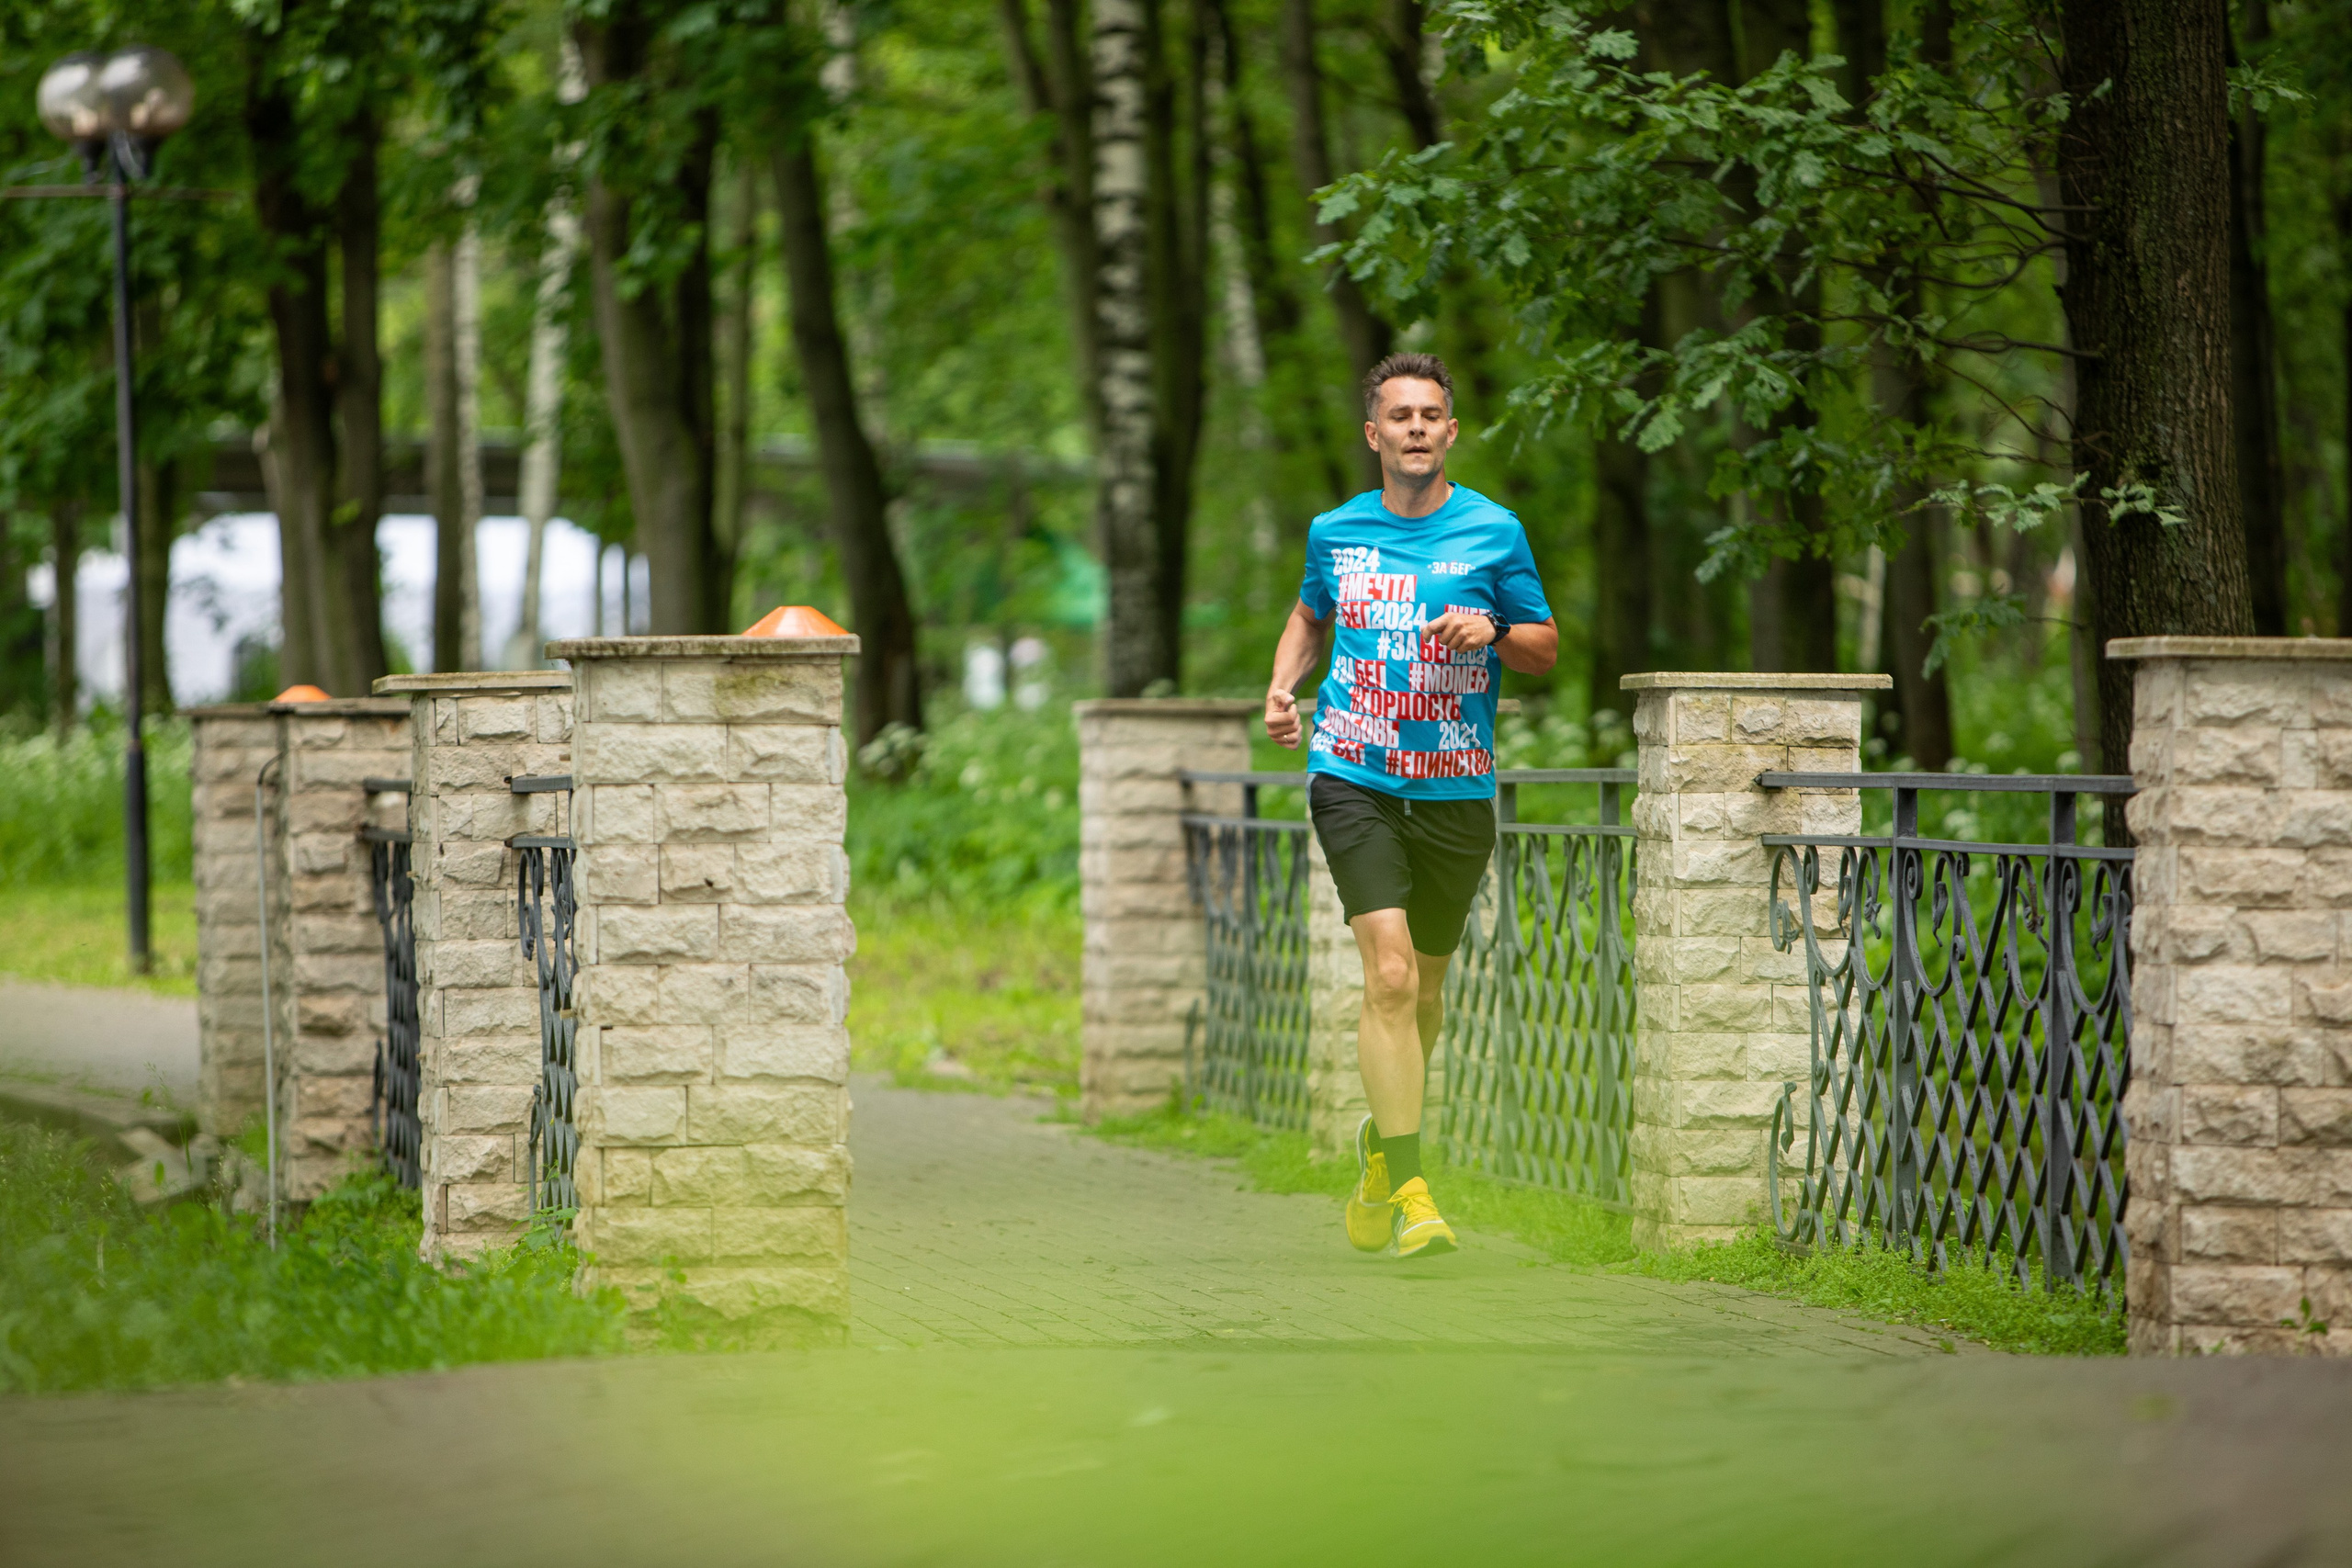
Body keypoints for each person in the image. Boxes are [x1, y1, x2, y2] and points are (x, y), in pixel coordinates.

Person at [1263, 352, 1558, 1258]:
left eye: (1432, 414)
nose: (1417, 428)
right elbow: (1312, 614)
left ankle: (1379, 1155)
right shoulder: (1336, 532)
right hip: (1353, 772)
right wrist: (1282, 687)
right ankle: (1417, 1192)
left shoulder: (1495, 532)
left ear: (1451, 432)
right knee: (1388, 975)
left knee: (1425, 990)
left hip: (1456, 785)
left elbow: (1545, 648)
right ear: (1374, 434)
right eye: (1401, 415)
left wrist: (1495, 630)